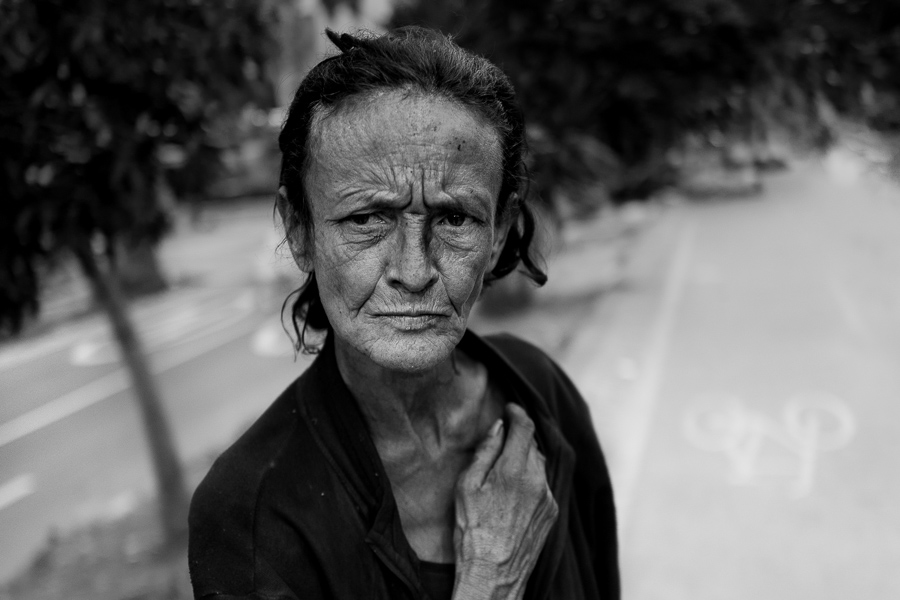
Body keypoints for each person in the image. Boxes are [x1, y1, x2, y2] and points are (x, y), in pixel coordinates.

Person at [188, 27, 619, 600]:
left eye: (455, 219)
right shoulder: (252, 515)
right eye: (367, 219)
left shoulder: (541, 394)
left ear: (496, 233)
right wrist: (490, 581)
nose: (414, 272)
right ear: (302, 231)